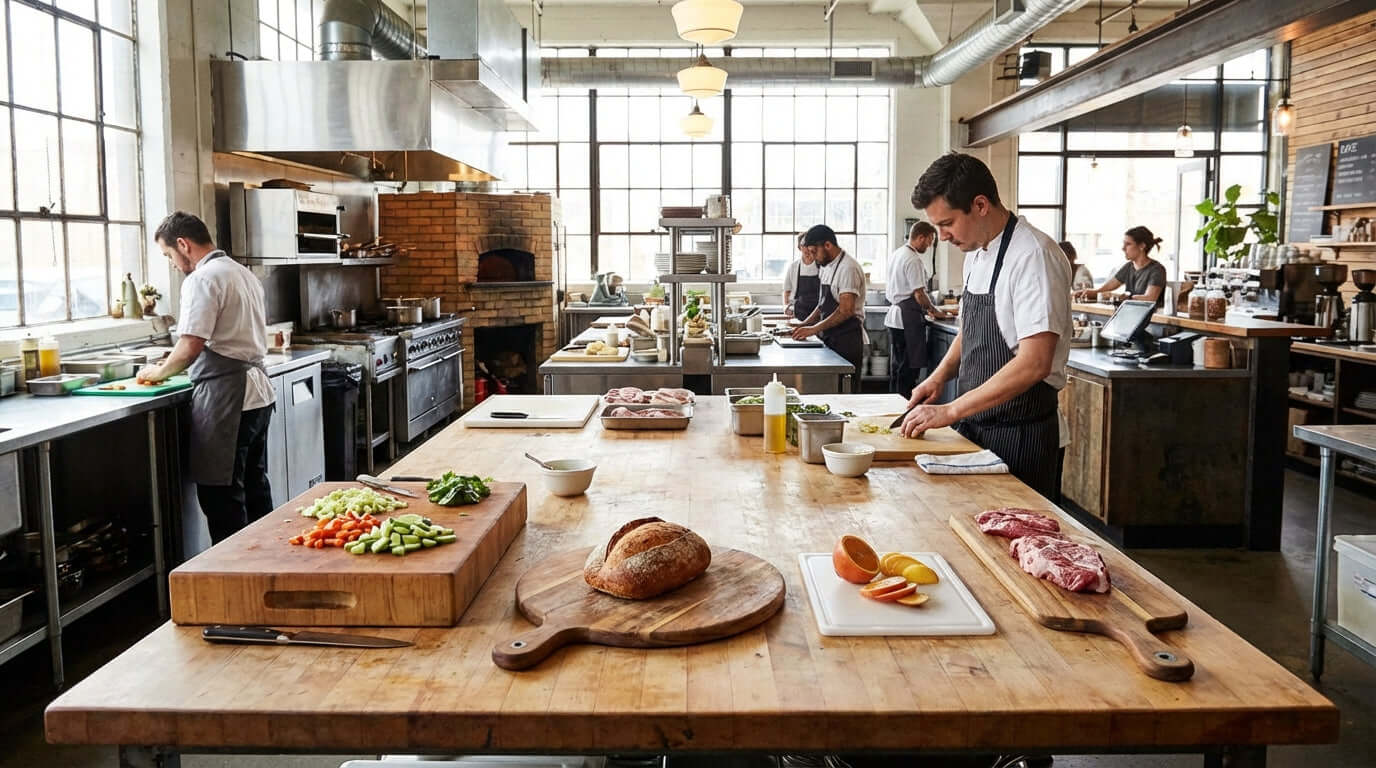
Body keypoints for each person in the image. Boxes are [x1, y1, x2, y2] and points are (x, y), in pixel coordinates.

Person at [900, 153, 1071, 499]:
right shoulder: (976, 254)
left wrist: (950, 409)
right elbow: (972, 330)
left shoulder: (1032, 255)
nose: (942, 236)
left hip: (1022, 435)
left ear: (979, 205)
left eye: (947, 223)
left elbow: (1035, 362)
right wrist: (938, 377)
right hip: (978, 428)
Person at [138, 212, 275, 544]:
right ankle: (268, 571)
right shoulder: (242, 272)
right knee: (255, 489)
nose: (171, 263)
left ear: (183, 244)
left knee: (222, 497)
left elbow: (190, 345)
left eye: (169, 255)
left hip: (229, 397)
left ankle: (234, 582)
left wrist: (158, 372)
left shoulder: (202, 279)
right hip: (258, 395)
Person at [792, 224, 867, 392]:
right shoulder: (826, 266)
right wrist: (804, 325)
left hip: (847, 340)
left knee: (846, 391)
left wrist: (813, 329)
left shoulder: (848, 268)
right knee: (830, 389)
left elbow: (846, 310)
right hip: (831, 337)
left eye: (813, 251)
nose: (812, 257)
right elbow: (822, 304)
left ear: (827, 245)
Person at [884, 221, 952, 397]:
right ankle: (904, 408)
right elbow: (919, 294)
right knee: (907, 371)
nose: (930, 245)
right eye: (930, 240)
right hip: (906, 318)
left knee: (898, 368)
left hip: (896, 318)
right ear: (921, 237)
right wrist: (934, 311)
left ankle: (895, 406)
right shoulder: (912, 259)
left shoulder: (898, 253)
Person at [1075, 226, 1168, 308]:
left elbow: (1149, 299)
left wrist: (1116, 296)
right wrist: (1091, 292)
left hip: (1152, 322)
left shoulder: (1157, 270)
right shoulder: (1128, 267)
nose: (1123, 248)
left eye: (1128, 244)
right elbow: (1107, 287)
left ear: (1142, 246)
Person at [783, 232, 821, 320]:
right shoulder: (794, 267)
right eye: (804, 245)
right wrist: (786, 307)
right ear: (799, 247)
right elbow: (787, 291)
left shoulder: (822, 266)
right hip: (799, 313)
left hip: (818, 313)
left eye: (809, 245)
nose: (807, 249)